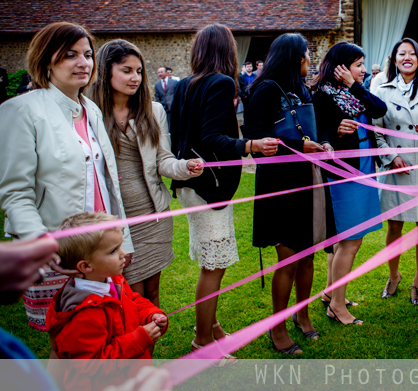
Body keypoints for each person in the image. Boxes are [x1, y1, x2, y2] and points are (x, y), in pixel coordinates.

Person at [0, 22, 133, 332]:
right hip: (55, 249)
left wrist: (121, 240)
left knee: (101, 327)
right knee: (64, 336)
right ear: (47, 60)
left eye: (88, 54)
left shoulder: (93, 110)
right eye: (70, 55)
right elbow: (16, 193)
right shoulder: (21, 111)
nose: (83, 62)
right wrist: (40, 245)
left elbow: (107, 183)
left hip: (100, 247)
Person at [170, 24, 278, 362]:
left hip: (190, 182)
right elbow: (211, 137)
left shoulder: (186, 84)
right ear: (227, 50)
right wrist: (250, 144)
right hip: (209, 186)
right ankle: (202, 342)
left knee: (210, 261)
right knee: (213, 266)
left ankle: (213, 327)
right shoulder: (220, 82)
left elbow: (182, 137)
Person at [87, 40, 203, 307]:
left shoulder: (154, 111)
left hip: (153, 215)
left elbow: (164, 160)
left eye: (139, 71)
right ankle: (131, 346)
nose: (135, 78)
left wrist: (185, 167)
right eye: (126, 70)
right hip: (114, 218)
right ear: (106, 71)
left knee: (151, 295)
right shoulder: (89, 112)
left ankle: (145, 348)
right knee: (129, 295)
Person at [246, 33, 327, 355]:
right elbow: (254, 139)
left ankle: (303, 315)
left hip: (308, 179)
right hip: (280, 185)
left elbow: (310, 131)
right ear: (294, 57)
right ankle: (277, 328)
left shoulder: (303, 90)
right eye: (307, 54)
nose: (310, 60)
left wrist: (322, 145)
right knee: (288, 258)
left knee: (308, 253)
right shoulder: (266, 90)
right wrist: (297, 147)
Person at [46, 212, 168, 391]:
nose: (123, 254)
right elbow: (94, 364)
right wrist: (139, 339)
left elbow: (133, 301)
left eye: (120, 246)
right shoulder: (84, 315)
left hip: (129, 376)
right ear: (86, 266)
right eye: (113, 251)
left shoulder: (112, 279)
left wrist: (151, 314)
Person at [313, 42, 387, 325]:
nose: (364, 69)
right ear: (341, 67)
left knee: (343, 240)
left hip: (365, 166)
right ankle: (337, 306)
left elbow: (379, 109)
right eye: (358, 64)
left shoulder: (353, 91)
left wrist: (354, 85)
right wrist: (336, 132)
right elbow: (320, 133)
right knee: (349, 240)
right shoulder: (322, 95)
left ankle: (331, 294)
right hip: (344, 171)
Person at [373, 38, 418, 304]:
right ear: (394, 60)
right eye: (401, 53)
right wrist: (391, 156)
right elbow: (376, 133)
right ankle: (394, 276)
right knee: (394, 226)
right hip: (396, 168)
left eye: (412, 53)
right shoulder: (381, 90)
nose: (407, 57)